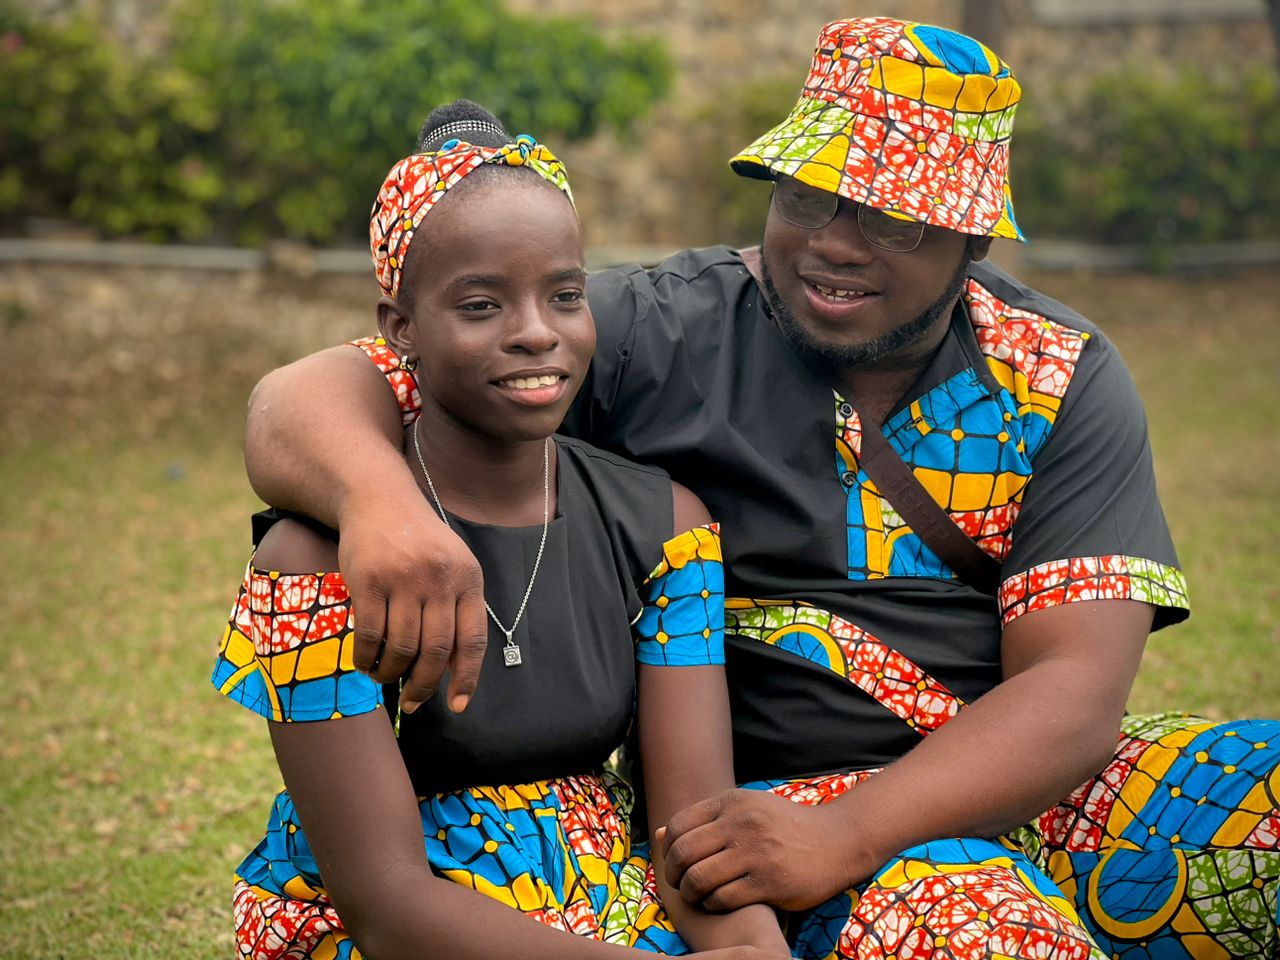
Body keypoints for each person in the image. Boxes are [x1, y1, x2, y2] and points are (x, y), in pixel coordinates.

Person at [237, 19, 1280, 960]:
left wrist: (848, 836)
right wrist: (378, 498)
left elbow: (1072, 694)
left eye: (891, 220)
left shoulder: (1054, 375)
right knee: (984, 935)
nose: (833, 240)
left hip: (1019, 789)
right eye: (806, 194)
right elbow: (309, 397)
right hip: (772, 809)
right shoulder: (655, 330)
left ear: (972, 240)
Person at [212, 100, 794, 959]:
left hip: (606, 910)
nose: (535, 333)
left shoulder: (667, 529)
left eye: (564, 295)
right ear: (400, 329)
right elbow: (384, 904)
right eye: (481, 305)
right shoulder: (312, 562)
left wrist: (750, 949)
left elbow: (689, 833)